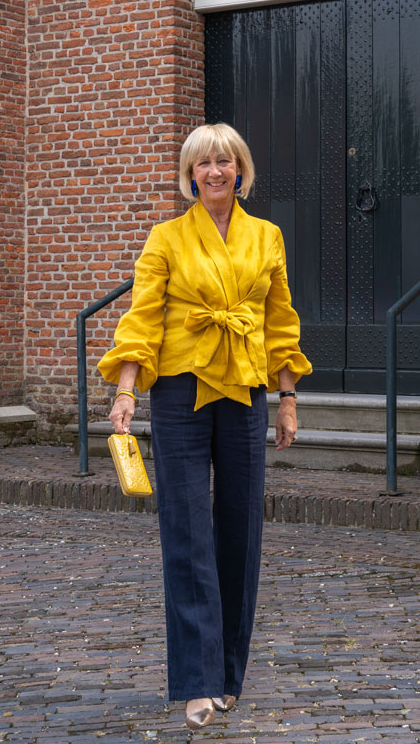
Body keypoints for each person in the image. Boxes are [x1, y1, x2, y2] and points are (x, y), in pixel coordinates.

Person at [98, 122, 312, 730]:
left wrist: (287, 398)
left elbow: (280, 321)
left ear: (240, 170)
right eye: (203, 163)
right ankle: (197, 681)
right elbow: (142, 318)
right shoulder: (166, 237)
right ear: (190, 175)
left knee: (241, 529)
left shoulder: (266, 236)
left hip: (243, 389)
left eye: (224, 161)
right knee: (187, 529)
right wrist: (126, 390)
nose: (214, 171)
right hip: (179, 391)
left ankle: (229, 676)